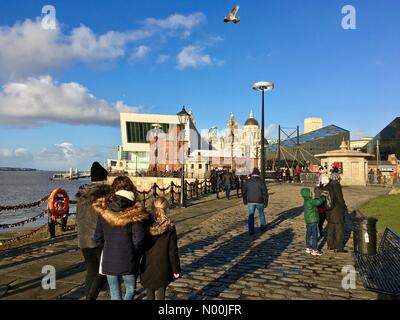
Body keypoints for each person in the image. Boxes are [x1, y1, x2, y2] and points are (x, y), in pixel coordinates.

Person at [93, 176, 149, 300]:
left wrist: (109, 247)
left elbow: (97, 237)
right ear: (131, 188)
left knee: (114, 293)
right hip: (128, 258)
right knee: (130, 290)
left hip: (109, 258)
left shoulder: (104, 210)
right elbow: (139, 240)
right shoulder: (136, 211)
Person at [75, 161, 111, 300]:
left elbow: (79, 217)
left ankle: (89, 296)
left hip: (83, 239)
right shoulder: (104, 195)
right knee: (105, 271)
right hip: (99, 240)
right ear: (103, 179)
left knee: (91, 271)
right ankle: (90, 297)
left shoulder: (81, 196)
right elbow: (108, 217)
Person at [140, 197, 181, 300]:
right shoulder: (170, 227)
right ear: (166, 209)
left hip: (147, 264)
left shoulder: (144, 224)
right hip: (163, 265)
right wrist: (176, 269)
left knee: (149, 292)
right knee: (161, 292)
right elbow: (172, 251)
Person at [320, 175, 347, 253]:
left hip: (329, 210)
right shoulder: (337, 186)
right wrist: (344, 206)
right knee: (339, 228)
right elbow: (340, 199)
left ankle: (330, 245)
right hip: (337, 210)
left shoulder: (328, 186)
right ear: (337, 179)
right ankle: (338, 247)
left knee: (330, 227)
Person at [242, 168, 268, 235]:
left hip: (250, 201)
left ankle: (251, 230)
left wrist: (245, 200)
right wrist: (266, 201)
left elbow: (244, 192)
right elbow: (265, 192)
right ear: (258, 174)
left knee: (251, 215)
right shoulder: (261, 181)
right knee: (261, 214)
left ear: (252, 173)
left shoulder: (248, 181)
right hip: (260, 200)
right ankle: (263, 226)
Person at [300, 188, 325, 256]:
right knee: (314, 235)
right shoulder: (310, 200)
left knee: (308, 234)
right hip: (313, 220)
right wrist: (323, 197)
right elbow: (318, 202)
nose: (311, 193)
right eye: (310, 192)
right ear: (307, 194)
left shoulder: (305, 200)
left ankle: (308, 247)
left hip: (308, 221)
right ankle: (315, 249)